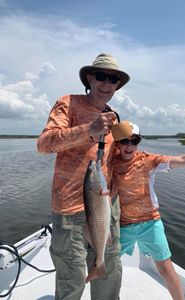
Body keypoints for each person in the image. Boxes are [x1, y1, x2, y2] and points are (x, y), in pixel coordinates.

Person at [37, 53, 130, 300]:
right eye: (101, 76)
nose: (106, 84)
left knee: (109, 270)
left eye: (113, 80)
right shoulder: (67, 103)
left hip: (105, 204)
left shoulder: (115, 116)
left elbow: (122, 156)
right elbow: (44, 144)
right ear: (90, 78)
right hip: (70, 208)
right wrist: (89, 130)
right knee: (72, 276)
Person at [111, 121, 185, 300]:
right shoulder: (109, 163)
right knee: (106, 267)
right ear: (116, 142)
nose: (129, 146)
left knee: (166, 269)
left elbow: (182, 160)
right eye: (124, 141)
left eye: (135, 141)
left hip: (150, 223)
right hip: (123, 226)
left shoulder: (148, 160)